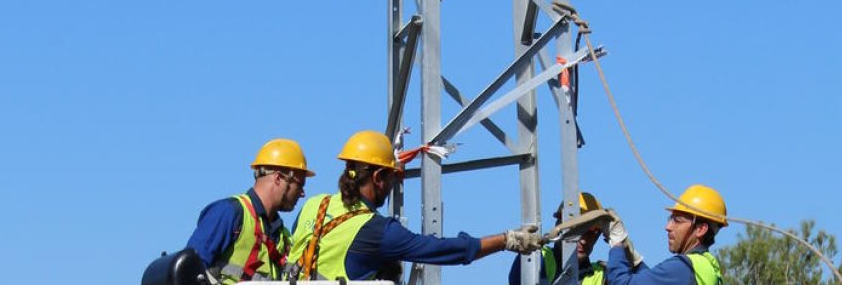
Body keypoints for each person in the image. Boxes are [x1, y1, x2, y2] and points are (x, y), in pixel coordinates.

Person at [286, 130, 546, 281]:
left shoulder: (313, 205)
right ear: (377, 178)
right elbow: (446, 250)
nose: (392, 186)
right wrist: (505, 240)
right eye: (390, 178)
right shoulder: (378, 231)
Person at [186, 139, 315, 284]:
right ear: (278, 178)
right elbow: (188, 270)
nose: (303, 193)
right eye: (299, 184)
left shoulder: (282, 236)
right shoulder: (229, 213)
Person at [604, 185, 727, 285]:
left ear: (700, 229)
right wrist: (635, 259)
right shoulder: (705, 266)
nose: (668, 227)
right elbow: (657, 279)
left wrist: (617, 243)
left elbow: (620, 283)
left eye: (677, 220)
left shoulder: (682, 268)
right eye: (671, 218)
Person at [509, 191, 608, 285]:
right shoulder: (540, 257)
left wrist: (620, 244)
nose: (583, 240)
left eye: (591, 233)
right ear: (559, 225)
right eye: (578, 231)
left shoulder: (601, 275)